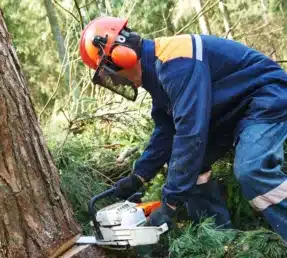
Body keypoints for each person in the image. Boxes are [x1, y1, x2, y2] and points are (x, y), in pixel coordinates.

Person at [79, 16, 287, 241]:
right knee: (193, 169)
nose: (116, 81)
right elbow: (166, 132)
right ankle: (221, 241)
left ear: (121, 57)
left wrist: (170, 203)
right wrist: (139, 175)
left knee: (251, 170)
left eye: (110, 73)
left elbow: (190, 134)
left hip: (264, 96)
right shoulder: (157, 71)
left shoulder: (176, 62)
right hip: (231, 110)